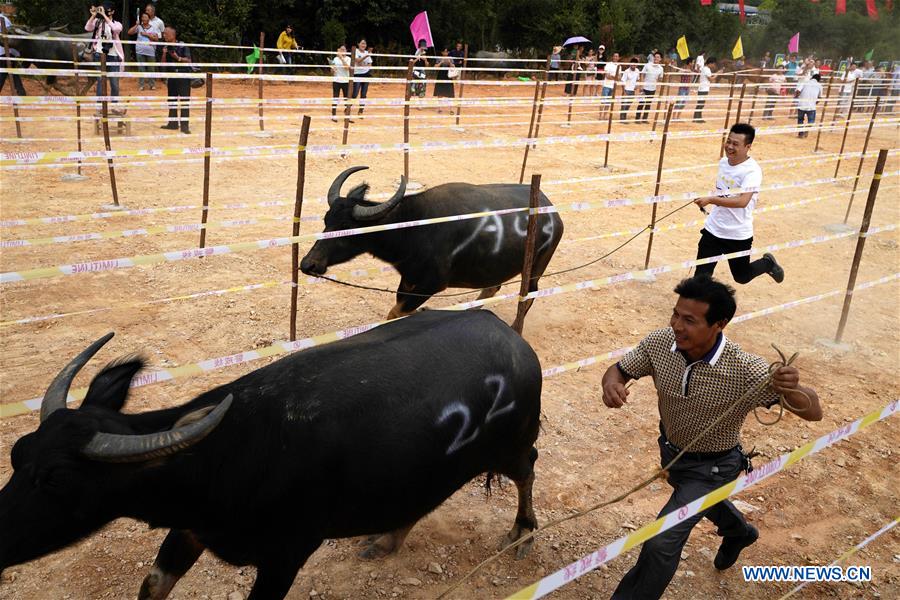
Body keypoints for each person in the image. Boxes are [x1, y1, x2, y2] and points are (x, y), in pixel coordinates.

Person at [603, 276, 821, 600]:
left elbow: (813, 411)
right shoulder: (660, 344)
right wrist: (611, 384)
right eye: (676, 314)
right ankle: (739, 532)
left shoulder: (745, 370)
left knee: (661, 540)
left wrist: (794, 388)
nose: (677, 325)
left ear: (719, 324)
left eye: (689, 320)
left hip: (713, 468)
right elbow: (619, 369)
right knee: (691, 499)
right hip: (673, 456)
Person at [693, 123, 784, 284]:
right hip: (713, 229)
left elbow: (743, 201)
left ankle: (767, 263)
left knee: (741, 277)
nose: (729, 146)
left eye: (735, 144)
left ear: (748, 146)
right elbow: (724, 190)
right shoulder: (723, 162)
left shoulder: (752, 171)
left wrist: (711, 200)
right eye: (728, 141)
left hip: (737, 234)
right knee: (701, 277)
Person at [85, 2, 124, 112]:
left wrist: (105, 17)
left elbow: (116, 30)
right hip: (99, 55)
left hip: (113, 56)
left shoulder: (117, 24)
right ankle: (99, 107)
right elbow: (87, 27)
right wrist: (93, 15)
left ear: (113, 12)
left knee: (114, 83)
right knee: (101, 81)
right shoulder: (98, 22)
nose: (104, 11)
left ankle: (114, 106)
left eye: (107, 10)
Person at [159, 26, 191, 133]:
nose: (164, 36)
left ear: (173, 35)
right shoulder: (165, 47)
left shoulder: (182, 46)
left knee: (184, 101)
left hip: (183, 76)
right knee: (172, 100)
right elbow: (162, 64)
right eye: (164, 34)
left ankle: (185, 125)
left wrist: (177, 58)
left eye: (166, 34)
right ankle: (172, 123)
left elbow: (189, 60)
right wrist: (164, 53)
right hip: (172, 76)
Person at [128, 12, 159, 91]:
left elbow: (156, 39)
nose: (144, 18)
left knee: (151, 68)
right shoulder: (138, 27)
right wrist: (136, 25)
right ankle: (141, 85)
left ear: (149, 19)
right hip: (140, 51)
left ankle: (152, 85)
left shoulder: (153, 28)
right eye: (143, 17)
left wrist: (147, 35)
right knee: (141, 68)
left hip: (151, 51)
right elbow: (129, 32)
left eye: (145, 17)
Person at [0, 13, 27, 96]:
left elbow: (8, 34)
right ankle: (21, 91)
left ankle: (21, 91)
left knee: (3, 72)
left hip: (6, 51)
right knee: (11, 71)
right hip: (7, 51)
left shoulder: (2, 19)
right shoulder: (3, 18)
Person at [636, 52, 663, 123]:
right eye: (655, 57)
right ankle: (637, 118)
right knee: (641, 103)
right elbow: (642, 74)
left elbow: (661, 78)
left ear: (660, 59)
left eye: (658, 57)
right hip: (644, 88)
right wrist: (641, 85)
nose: (656, 58)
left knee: (648, 104)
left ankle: (645, 119)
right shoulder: (647, 65)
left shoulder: (661, 68)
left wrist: (664, 78)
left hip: (652, 88)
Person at [350, 38, 373, 117]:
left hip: (366, 74)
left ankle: (361, 110)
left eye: (365, 44)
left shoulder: (367, 52)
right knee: (355, 93)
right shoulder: (355, 51)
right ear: (358, 44)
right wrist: (366, 57)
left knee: (363, 94)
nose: (363, 45)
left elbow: (370, 64)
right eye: (362, 43)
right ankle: (348, 108)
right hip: (357, 74)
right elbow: (357, 61)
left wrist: (364, 65)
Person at [795, 73, 822, 138]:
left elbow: (798, 90)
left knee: (800, 120)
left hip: (801, 104)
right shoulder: (819, 85)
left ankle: (801, 134)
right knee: (811, 121)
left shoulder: (805, 82)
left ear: (812, 77)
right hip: (811, 106)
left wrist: (797, 96)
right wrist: (815, 103)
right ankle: (807, 130)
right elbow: (820, 97)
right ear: (819, 80)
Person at [330, 44, 351, 121]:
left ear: (346, 51)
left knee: (347, 98)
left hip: (346, 81)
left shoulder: (348, 59)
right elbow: (332, 72)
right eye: (341, 49)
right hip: (336, 81)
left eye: (344, 49)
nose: (342, 51)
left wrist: (341, 58)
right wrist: (332, 69)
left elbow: (347, 68)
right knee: (335, 97)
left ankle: (347, 115)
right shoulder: (335, 59)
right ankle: (333, 114)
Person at [693, 57, 715, 122]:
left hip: (704, 88)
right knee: (700, 104)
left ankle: (698, 118)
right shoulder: (706, 69)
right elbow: (711, 79)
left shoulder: (705, 69)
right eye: (713, 64)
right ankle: (696, 118)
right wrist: (718, 74)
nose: (713, 65)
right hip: (703, 89)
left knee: (701, 104)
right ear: (710, 63)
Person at [672, 57, 694, 121]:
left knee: (683, 103)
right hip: (682, 88)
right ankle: (673, 117)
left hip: (687, 88)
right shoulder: (684, 68)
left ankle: (678, 117)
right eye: (692, 62)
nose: (693, 63)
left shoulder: (691, 69)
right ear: (689, 63)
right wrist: (685, 71)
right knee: (679, 102)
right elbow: (678, 72)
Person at [599, 51, 620, 117]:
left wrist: (613, 77)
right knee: (603, 101)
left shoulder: (619, 66)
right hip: (606, 85)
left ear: (618, 58)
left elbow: (619, 77)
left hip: (613, 86)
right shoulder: (608, 64)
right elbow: (607, 76)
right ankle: (600, 115)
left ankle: (604, 116)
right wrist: (615, 77)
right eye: (614, 56)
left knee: (608, 102)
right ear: (612, 57)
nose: (615, 57)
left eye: (617, 56)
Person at [410, 40, 429, 107]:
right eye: (422, 47)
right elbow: (410, 63)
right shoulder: (414, 52)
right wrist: (417, 58)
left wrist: (425, 60)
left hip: (422, 72)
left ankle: (420, 104)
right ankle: (411, 103)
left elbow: (427, 65)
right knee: (413, 87)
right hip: (415, 71)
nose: (423, 49)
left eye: (424, 48)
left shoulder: (425, 54)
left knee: (422, 87)